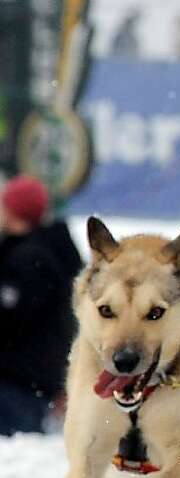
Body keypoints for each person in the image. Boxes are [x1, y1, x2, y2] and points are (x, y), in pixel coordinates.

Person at [0, 175, 84, 434]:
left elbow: (11, 322)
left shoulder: (30, 261)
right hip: (36, 386)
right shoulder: (49, 251)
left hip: (17, 388)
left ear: (13, 211)